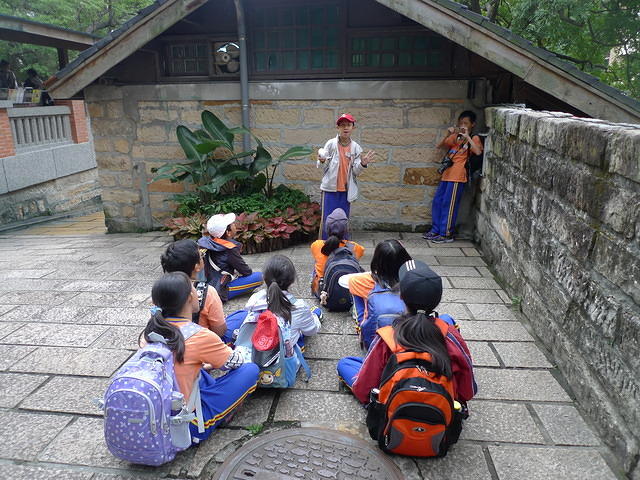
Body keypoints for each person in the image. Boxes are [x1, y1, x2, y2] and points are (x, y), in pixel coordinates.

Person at [337, 259, 476, 406]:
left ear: (401, 297)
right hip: (441, 411)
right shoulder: (451, 335)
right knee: (448, 319)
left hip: (395, 408)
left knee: (345, 363)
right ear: (437, 301)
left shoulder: (387, 336)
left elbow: (363, 389)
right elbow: (468, 391)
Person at [142, 272, 259, 444]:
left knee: (198, 370)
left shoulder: (151, 331)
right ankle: (213, 419)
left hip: (157, 412)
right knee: (250, 370)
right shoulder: (198, 335)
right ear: (190, 297)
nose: (198, 292)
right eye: (194, 289)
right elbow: (236, 363)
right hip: (188, 425)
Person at [236, 254, 322, 350]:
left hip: (258, 347)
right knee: (313, 316)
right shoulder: (299, 306)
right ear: (292, 280)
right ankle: (315, 314)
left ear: (265, 278)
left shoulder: (255, 298)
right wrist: (314, 318)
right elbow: (311, 331)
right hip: (282, 357)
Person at [424, 110, 483, 243]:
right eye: (460, 122)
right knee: (438, 201)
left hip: (458, 176)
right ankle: (436, 230)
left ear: (472, 124)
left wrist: (467, 136)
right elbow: (440, 146)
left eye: (466, 123)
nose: (462, 125)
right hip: (446, 174)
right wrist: (449, 133)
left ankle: (446, 233)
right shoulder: (456, 137)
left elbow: (478, 152)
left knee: (448, 204)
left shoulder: (474, 138)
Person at [317, 113, 376, 239]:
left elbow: (355, 172)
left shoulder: (356, 148)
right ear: (337, 127)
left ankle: (342, 246)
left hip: (346, 191)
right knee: (328, 218)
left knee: (343, 219)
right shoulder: (331, 144)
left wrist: (362, 164)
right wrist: (322, 160)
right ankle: (326, 245)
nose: (346, 128)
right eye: (342, 125)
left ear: (353, 127)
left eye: (348, 125)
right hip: (330, 190)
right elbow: (323, 165)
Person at [346, 239, 411, 348]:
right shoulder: (414, 281)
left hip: (377, 342)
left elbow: (362, 316)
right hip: (409, 340)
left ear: (377, 261)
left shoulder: (359, 281)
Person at [160, 239, 226, 338]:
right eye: (201, 257)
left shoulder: (161, 289)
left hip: (169, 339)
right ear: (197, 267)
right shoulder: (207, 292)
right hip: (201, 341)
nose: (203, 259)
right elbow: (219, 331)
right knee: (240, 317)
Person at [197, 213, 262, 302]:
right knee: (258, 277)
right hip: (219, 290)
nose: (235, 225)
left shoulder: (205, 241)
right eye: (232, 225)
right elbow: (246, 271)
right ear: (228, 232)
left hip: (206, 285)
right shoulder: (229, 248)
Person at [309, 207, 365, 297]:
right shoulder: (355, 247)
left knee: (316, 267)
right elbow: (362, 251)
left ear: (327, 229)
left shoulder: (316, 245)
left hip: (323, 293)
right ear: (346, 230)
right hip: (348, 294)